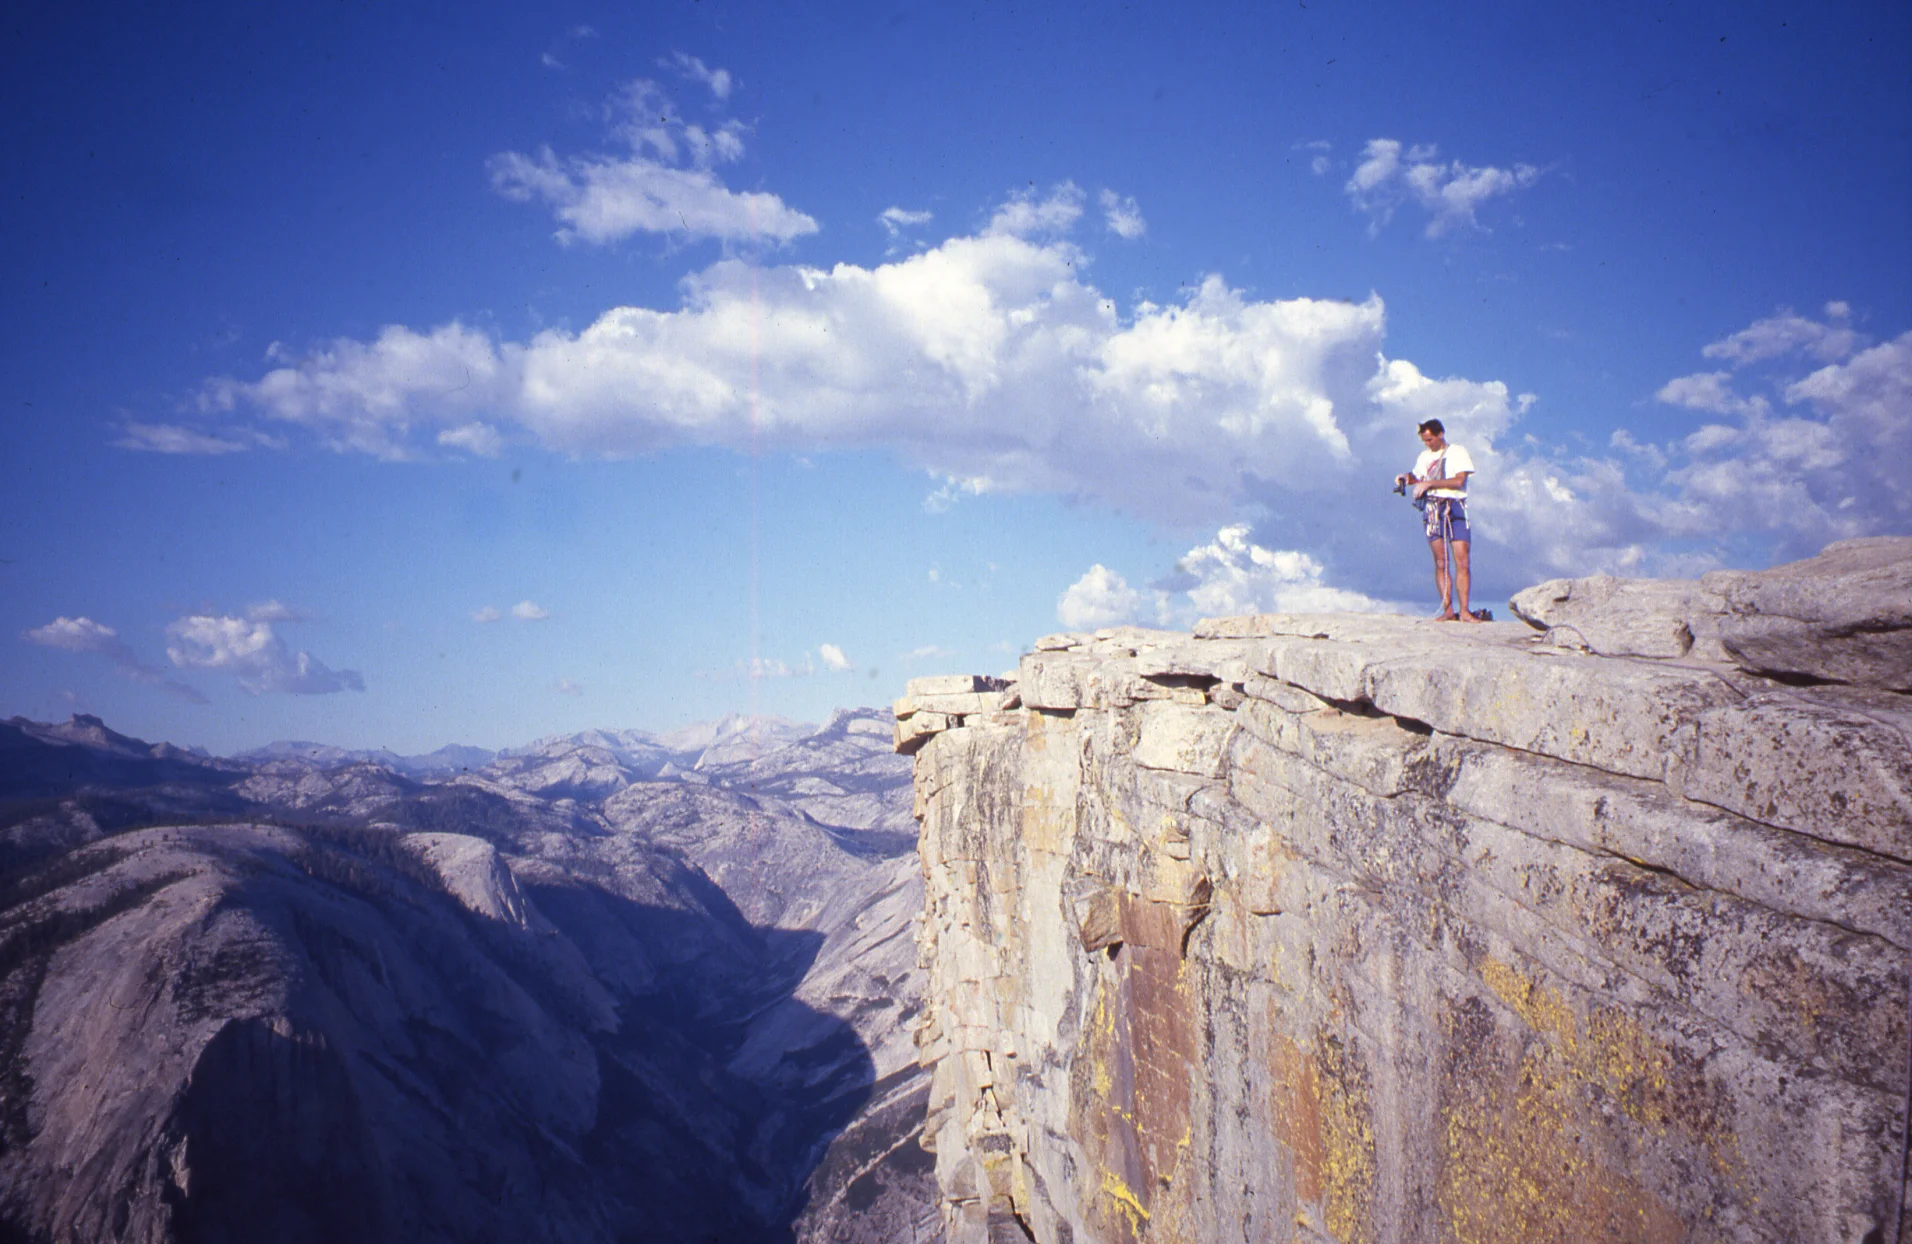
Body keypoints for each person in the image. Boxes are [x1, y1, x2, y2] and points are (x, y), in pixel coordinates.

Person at [1396, 419, 1480, 621]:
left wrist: (1429, 483)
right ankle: (1448, 610)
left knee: (1462, 559)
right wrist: (1405, 478)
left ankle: (1465, 611)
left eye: (1430, 439)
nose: (1428, 444)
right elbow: (1416, 475)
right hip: (1433, 507)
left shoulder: (1457, 451)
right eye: (1425, 440)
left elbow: (1459, 480)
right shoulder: (1424, 456)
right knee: (1441, 562)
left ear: (1440, 434)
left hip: (1454, 505)